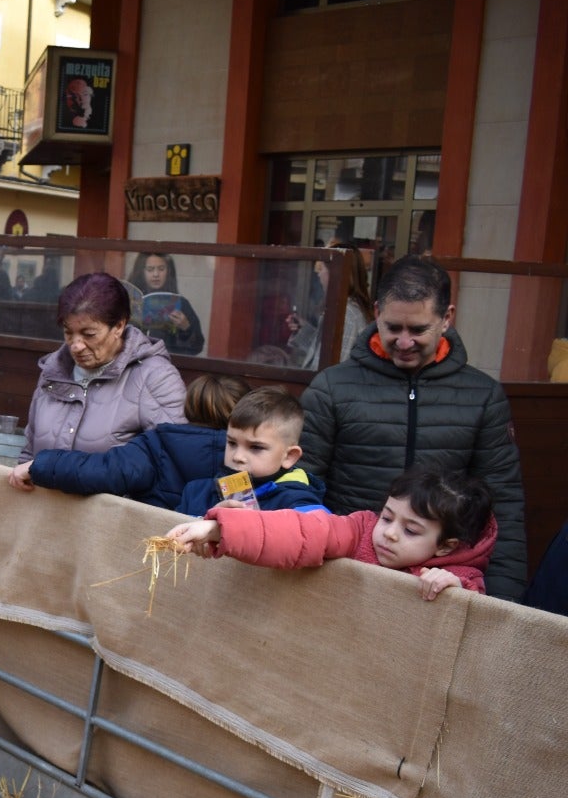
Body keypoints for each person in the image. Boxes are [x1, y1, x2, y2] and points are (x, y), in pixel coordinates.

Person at [298, 255, 526, 601]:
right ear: (376, 312)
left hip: (438, 585)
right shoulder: (331, 387)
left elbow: (503, 504)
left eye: (418, 329)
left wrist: (503, 600)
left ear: (446, 318)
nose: (404, 342)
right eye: (393, 327)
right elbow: (301, 482)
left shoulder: (483, 395)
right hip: (343, 572)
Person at [167, 465, 496, 601]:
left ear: (446, 547)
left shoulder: (459, 576)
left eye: (410, 530)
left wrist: (457, 591)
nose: (389, 534)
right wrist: (218, 528)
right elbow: (302, 532)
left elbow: (470, 624)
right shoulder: (359, 531)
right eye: (387, 517)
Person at [7, 272, 186, 488]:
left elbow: (171, 465)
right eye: (68, 333)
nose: (76, 345)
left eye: (89, 334)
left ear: (119, 326)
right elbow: (29, 452)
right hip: (44, 514)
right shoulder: (53, 372)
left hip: (113, 517)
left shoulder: (155, 377)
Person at [22, 374, 248, 511]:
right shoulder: (262, 458)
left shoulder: (157, 444)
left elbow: (100, 471)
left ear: (188, 407)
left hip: (159, 558)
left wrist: (38, 465)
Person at [177, 387, 328, 515]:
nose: (237, 457)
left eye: (256, 447)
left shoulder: (298, 504)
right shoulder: (196, 493)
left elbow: (319, 538)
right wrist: (205, 521)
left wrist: (253, 530)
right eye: (232, 443)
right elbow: (168, 543)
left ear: (289, 456)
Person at [285, 240, 373, 370]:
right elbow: (323, 351)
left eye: (322, 268)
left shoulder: (345, 313)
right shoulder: (343, 308)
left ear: (335, 272)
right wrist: (303, 330)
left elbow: (332, 367)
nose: (319, 274)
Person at [126, 252, 205, 357]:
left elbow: (197, 347)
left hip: (168, 364)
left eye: (161, 269)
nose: (156, 274)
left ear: (168, 272)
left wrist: (186, 328)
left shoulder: (181, 303)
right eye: (150, 269)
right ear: (141, 272)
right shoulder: (128, 301)